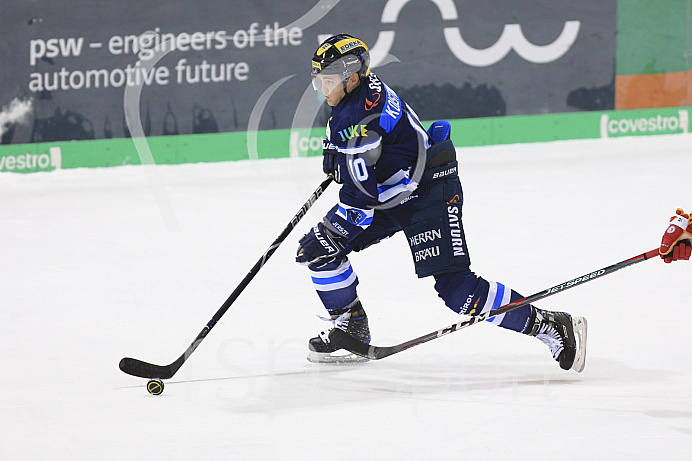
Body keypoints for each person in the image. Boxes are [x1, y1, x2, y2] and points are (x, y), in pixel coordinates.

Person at [295, 33, 591, 369]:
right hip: (392, 194)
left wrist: (332, 227)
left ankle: (550, 325)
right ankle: (352, 325)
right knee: (320, 253)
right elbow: (360, 157)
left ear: (352, 77)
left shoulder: (357, 118)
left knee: (457, 290)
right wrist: (341, 155)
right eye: (319, 81)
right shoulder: (357, 97)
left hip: (428, 192)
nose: (323, 89)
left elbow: (359, 204)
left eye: (329, 81)